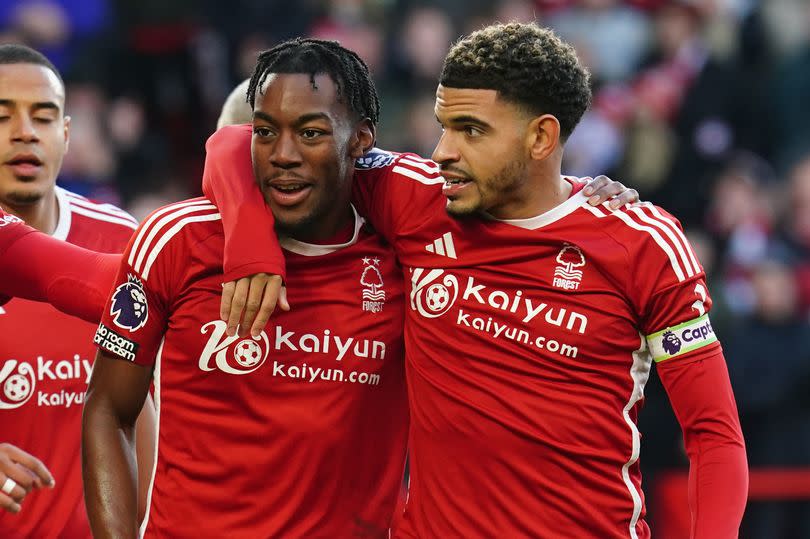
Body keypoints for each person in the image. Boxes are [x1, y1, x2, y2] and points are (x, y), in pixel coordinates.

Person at [205, 25, 748, 538]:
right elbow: (232, 144)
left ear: (541, 137)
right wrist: (254, 248)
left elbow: (713, 435)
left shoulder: (642, 243)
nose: (442, 150)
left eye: (470, 131)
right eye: (444, 124)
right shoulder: (416, 199)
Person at [83, 38, 636, 538]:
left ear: (361, 143)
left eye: (312, 133)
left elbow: (518, 210)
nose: (282, 154)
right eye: (265, 132)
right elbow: (109, 408)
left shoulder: (406, 257)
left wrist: (579, 199)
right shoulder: (178, 240)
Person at [0, 44, 153, 537]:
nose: (25, 132)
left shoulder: (120, 236)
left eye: (43, 118)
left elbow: (145, 408)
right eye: (2, 117)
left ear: (66, 134)